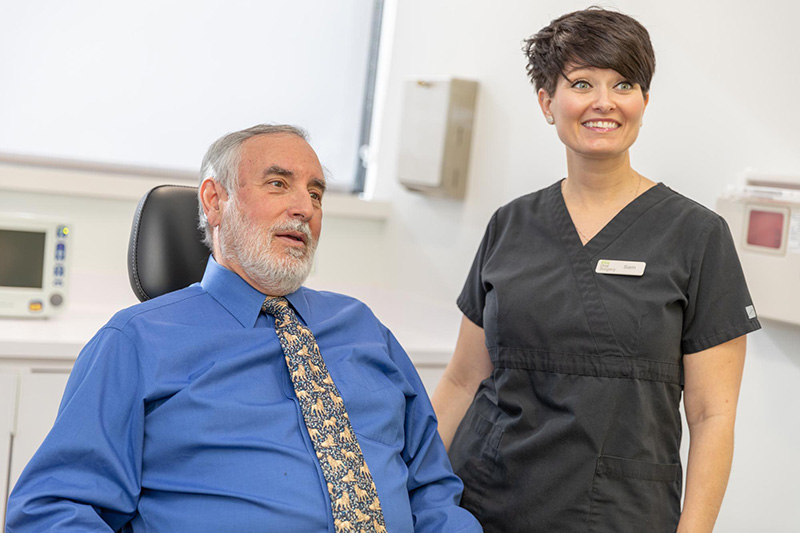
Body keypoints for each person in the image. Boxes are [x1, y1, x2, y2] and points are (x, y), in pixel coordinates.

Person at [6, 124, 482, 532]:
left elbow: (433, 491)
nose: (305, 208)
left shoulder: (363, 328)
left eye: (316, 194)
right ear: (215, 201)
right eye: (279, 184)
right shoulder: (137, 342)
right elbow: (53, 508)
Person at [432, 8, 759, 533]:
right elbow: (463, 379)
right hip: (484, 503)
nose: (604, 103)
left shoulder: (697, 236)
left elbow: (711, 416)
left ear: (644, 102)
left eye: (623, 84)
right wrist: (414, 494)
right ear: (547, 102)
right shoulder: (510, 225)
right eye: (581, 83)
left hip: (619, 513)